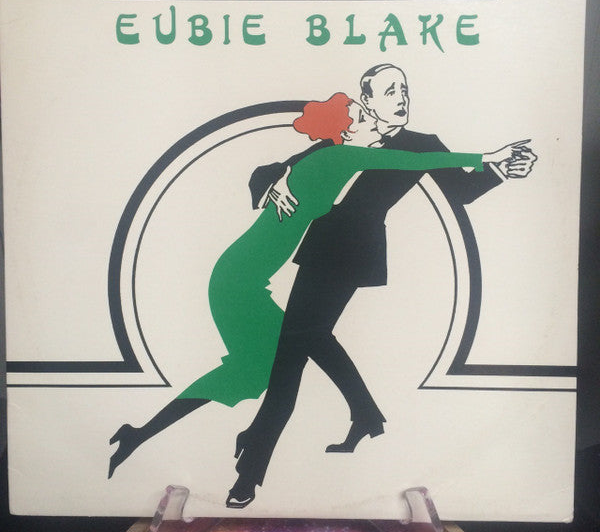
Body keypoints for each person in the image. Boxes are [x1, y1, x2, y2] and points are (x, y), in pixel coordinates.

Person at [108, 91, 521, 484]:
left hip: (242, 278)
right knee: (284, 355)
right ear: (348, 130)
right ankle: (343, 421)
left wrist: (279, 177)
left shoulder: (326, 155)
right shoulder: (340, 155)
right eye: (364, 118)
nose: (373, 125)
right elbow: (411, 161)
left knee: (258, 370)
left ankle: (140, 435)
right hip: (237, 281)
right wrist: (486, 157)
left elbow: (287, 167)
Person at [228, 65, 537, 508]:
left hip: (355, 250)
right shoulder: (348, 136)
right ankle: (361, 415)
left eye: (404, 89)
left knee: (292, 350)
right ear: (368, 101)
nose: (401, 96)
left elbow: (462, 191)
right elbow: (274, 170)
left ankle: (253, 466)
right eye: (390, 90)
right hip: (320, 247)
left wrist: (502, 171)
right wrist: (276, 181)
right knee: (300, 343)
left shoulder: (422, 144)